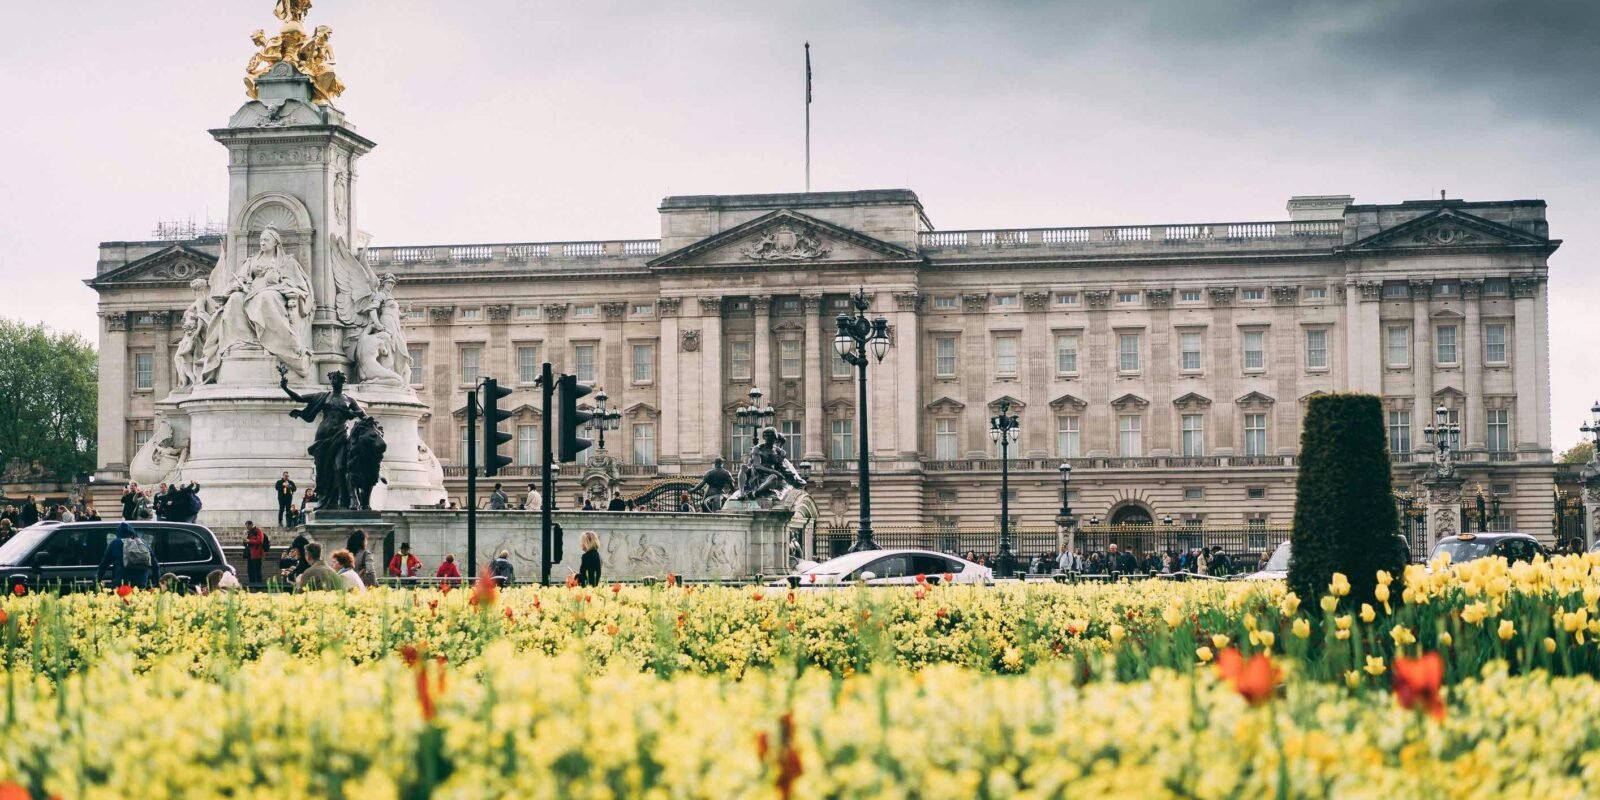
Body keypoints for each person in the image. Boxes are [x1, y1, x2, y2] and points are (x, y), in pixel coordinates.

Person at [96, 522, 158, 589]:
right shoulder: (143, 542)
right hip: (141, 583)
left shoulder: (115, 543)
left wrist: (97, 581)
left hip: (121, 583)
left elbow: (104, 564)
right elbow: (155, 565)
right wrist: (157, 582)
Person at [244, 520, 270, 586]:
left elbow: (260, 541)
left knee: (257, 570)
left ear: (251, 525)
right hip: (250, 553)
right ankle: (251, 584)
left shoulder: (258, 531)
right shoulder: (249, 532)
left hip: (256, 554)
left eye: (247, 526)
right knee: (250, 570)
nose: (247, 528)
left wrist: (249, 541)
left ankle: (258, 584)